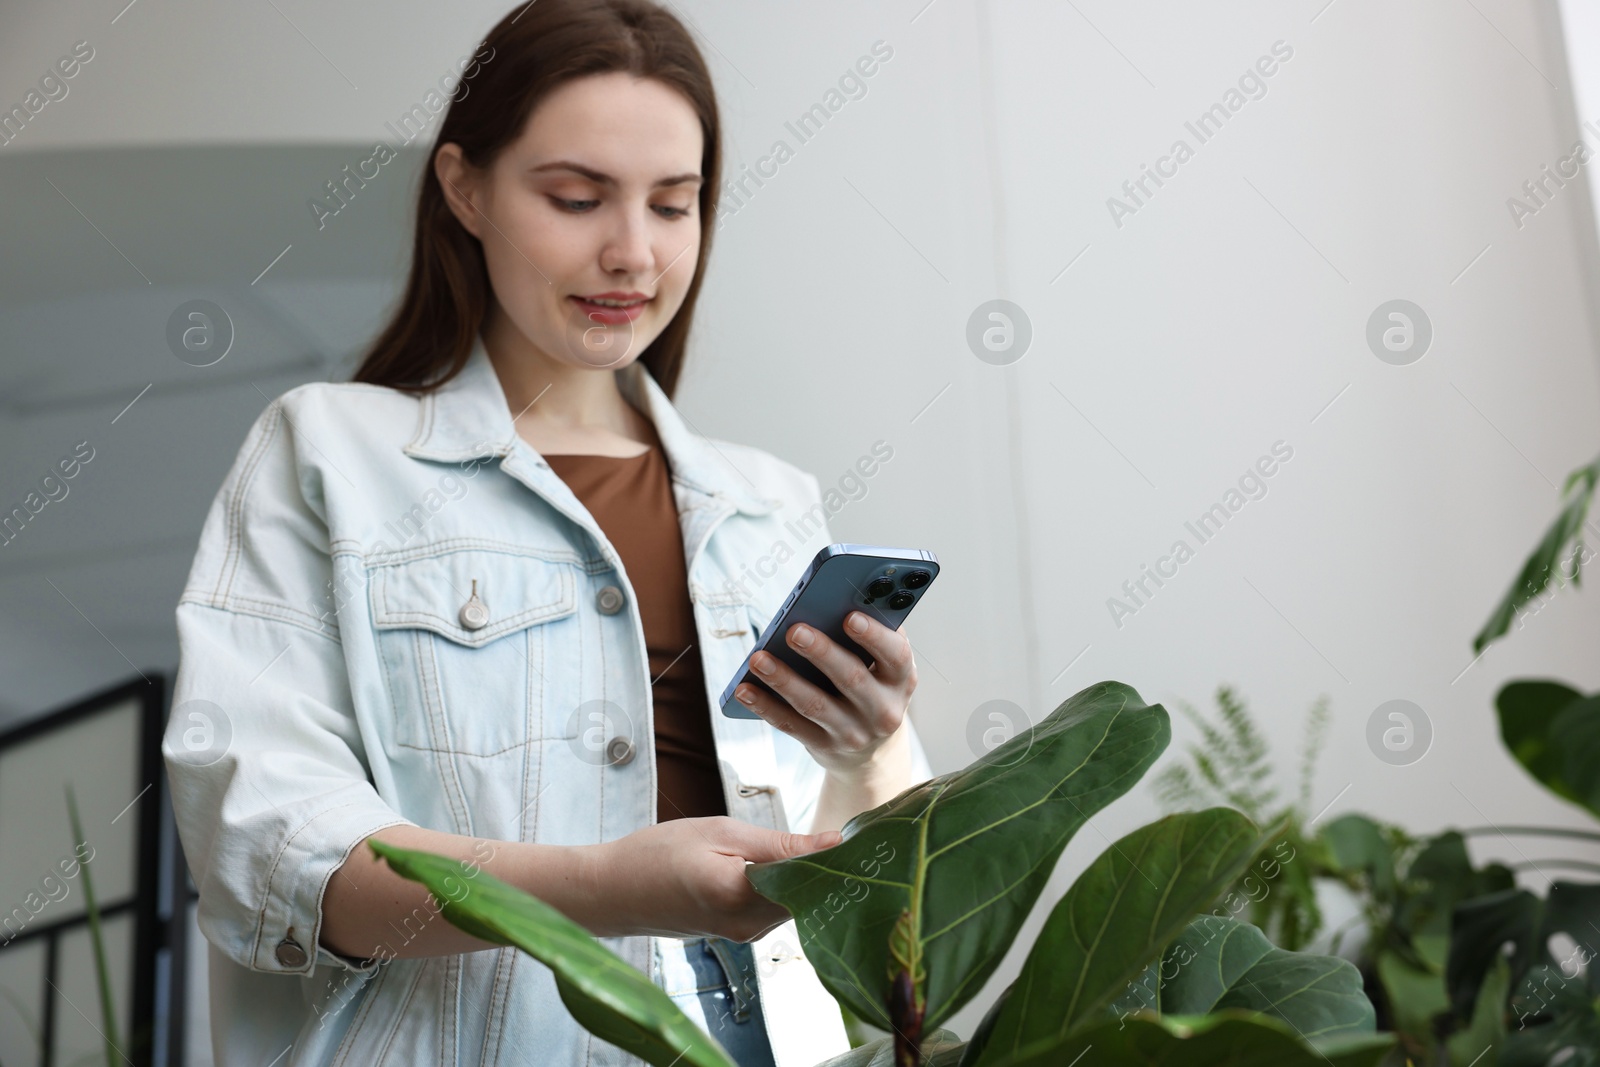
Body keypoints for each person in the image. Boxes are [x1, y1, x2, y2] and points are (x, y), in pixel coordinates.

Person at [161, 1, 935, 1065]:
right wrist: (598, 888)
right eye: (576, 198)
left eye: (674, 204)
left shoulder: (773, 505)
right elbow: (275, 852)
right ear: (463, 187)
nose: (631, 252)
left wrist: (871, 744)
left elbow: (876, 899)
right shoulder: (330, 456)